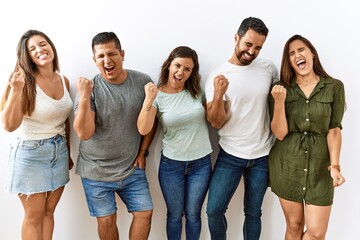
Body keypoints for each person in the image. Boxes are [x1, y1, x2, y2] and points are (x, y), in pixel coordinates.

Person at [73, 31, 156, 240]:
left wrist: (143, 152)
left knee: (145, 213)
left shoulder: (142, 82)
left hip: (131, 168)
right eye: (100, 56)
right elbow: (84, 133)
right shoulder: (90, 89)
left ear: (122, 54)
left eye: (112, 54)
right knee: (107, 220)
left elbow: (150, 123)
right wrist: (83, 97)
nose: (107, 60)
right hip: (96, 171)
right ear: (94, 60)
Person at [205, 17, 279, 240]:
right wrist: (218, 94)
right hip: (230, 154)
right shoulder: (217, 76)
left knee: (254, 213)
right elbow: (216, 122)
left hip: (263, 154)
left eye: (258, 47)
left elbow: (278, 101)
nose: (252, 51)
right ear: (236, 37)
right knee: (214, 211)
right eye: (248, 44)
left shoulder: (268, 68)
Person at [269, 34, 346, 239]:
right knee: (294, 227)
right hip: (287, 163)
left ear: (312, 53)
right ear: (289, 61)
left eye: (301, 50)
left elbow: (335, 129)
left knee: (316, 232)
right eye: (291, 53)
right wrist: (278, 102)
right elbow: (280, 133)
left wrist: (335, 166)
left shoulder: (334, 87)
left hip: (321, 167)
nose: (297, 56)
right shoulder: (280, 88)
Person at [0, 29, 73, 240]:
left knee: (49, 212)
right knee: (34, 217)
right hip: (30, 154)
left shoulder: (63, 80)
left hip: (58, 152)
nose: (40, 50)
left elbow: (64, 120)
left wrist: (67, 154)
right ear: (28, 57)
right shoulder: (22, 82)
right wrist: (15, 90)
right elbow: (8, 125)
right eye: (32, 49)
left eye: (43, 44)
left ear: (51, 46)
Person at [137, 46, 213, 240]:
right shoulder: (157, 95)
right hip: (172, 165)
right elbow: (144, 129)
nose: (181, 72)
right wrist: (149, 100)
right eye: (177, 66)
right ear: (169, 65)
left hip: (201, 164)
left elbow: (214, 119)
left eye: (187, 69)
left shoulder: (197, 92)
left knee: (194, 215)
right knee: (174, 215)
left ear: (192, 72)